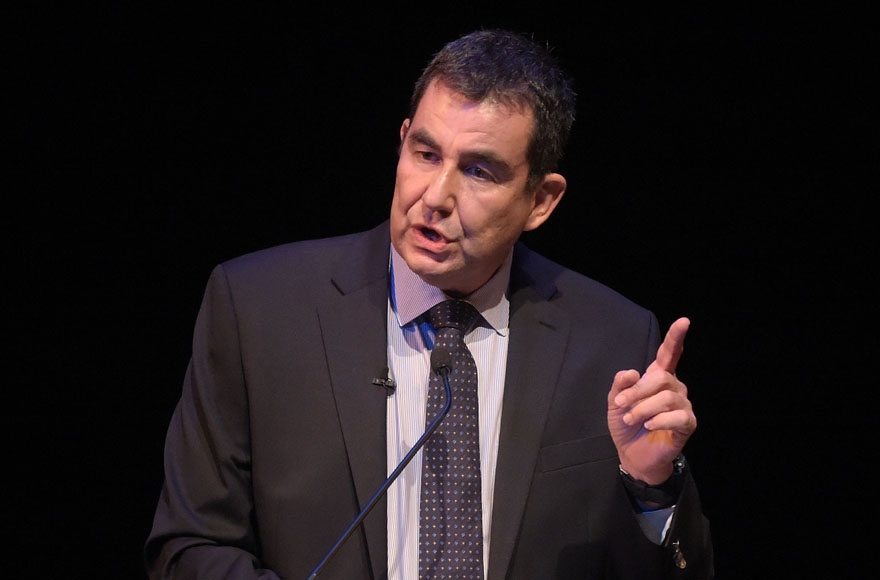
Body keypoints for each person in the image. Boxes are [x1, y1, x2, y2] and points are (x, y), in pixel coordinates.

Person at [145, 29, 714, 579]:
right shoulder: (258, 311)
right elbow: (189, 547)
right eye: (424, 153)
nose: (435, 197)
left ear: (541, 200)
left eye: (478, 171)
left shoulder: (612, 342)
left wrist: (651, 487)